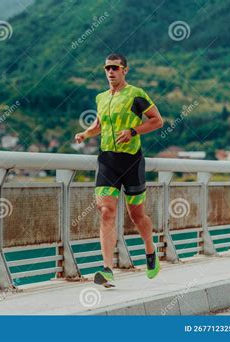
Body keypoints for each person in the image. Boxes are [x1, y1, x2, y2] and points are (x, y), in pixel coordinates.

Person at [75, 53, 164, 287]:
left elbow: (157, 121)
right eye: (107, 68)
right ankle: (107, 269)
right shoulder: (101, 97)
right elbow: (99, 124)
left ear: (125, 70)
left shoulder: (136, 94)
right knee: (106, 211)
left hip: (132, 161)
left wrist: (133, 132)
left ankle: (149, 249)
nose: (111, 72)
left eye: (115, 67)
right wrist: (85, 133)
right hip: (107, 160)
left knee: (137, 216)